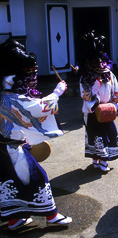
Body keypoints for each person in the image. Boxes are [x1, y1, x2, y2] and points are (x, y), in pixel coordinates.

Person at [0, 39, 72, 230]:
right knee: (38, 178)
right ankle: (52, 216)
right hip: (12, 148)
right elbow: (37, 108)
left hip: (5, 148)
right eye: (29, 74)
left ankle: (16, 220)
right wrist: (57, 92)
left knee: (13, 183)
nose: (32, 78)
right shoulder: (10, 100)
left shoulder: (4, 94)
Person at [79, 32, 118, 171]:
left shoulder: (109, 74)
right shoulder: (85, 77)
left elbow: (116, 90)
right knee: (96, 136)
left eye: (100, 61)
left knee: (109, 134)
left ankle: (104, 161)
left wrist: (115, 105)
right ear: (89, 63)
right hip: (92, 110)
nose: (99, 64)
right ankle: (97, 161)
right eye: (95, 62)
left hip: (108, 109)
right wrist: (96, 91)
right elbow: (85, 94)